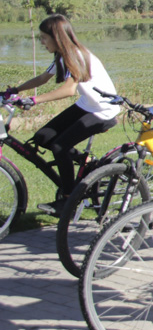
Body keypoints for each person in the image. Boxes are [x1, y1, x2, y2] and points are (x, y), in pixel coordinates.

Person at [3, 14, 120, 213]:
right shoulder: (61, 55)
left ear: (56, 37)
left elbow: (68, 90)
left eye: (44, 38)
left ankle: (68, 199)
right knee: (43, 137)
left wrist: (34, 100)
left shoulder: (76, 55)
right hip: (87, 105)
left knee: (59, 146)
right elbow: (42, 78)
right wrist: (15, 90)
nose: (41, 42)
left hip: (103, 110)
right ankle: (89, 164)